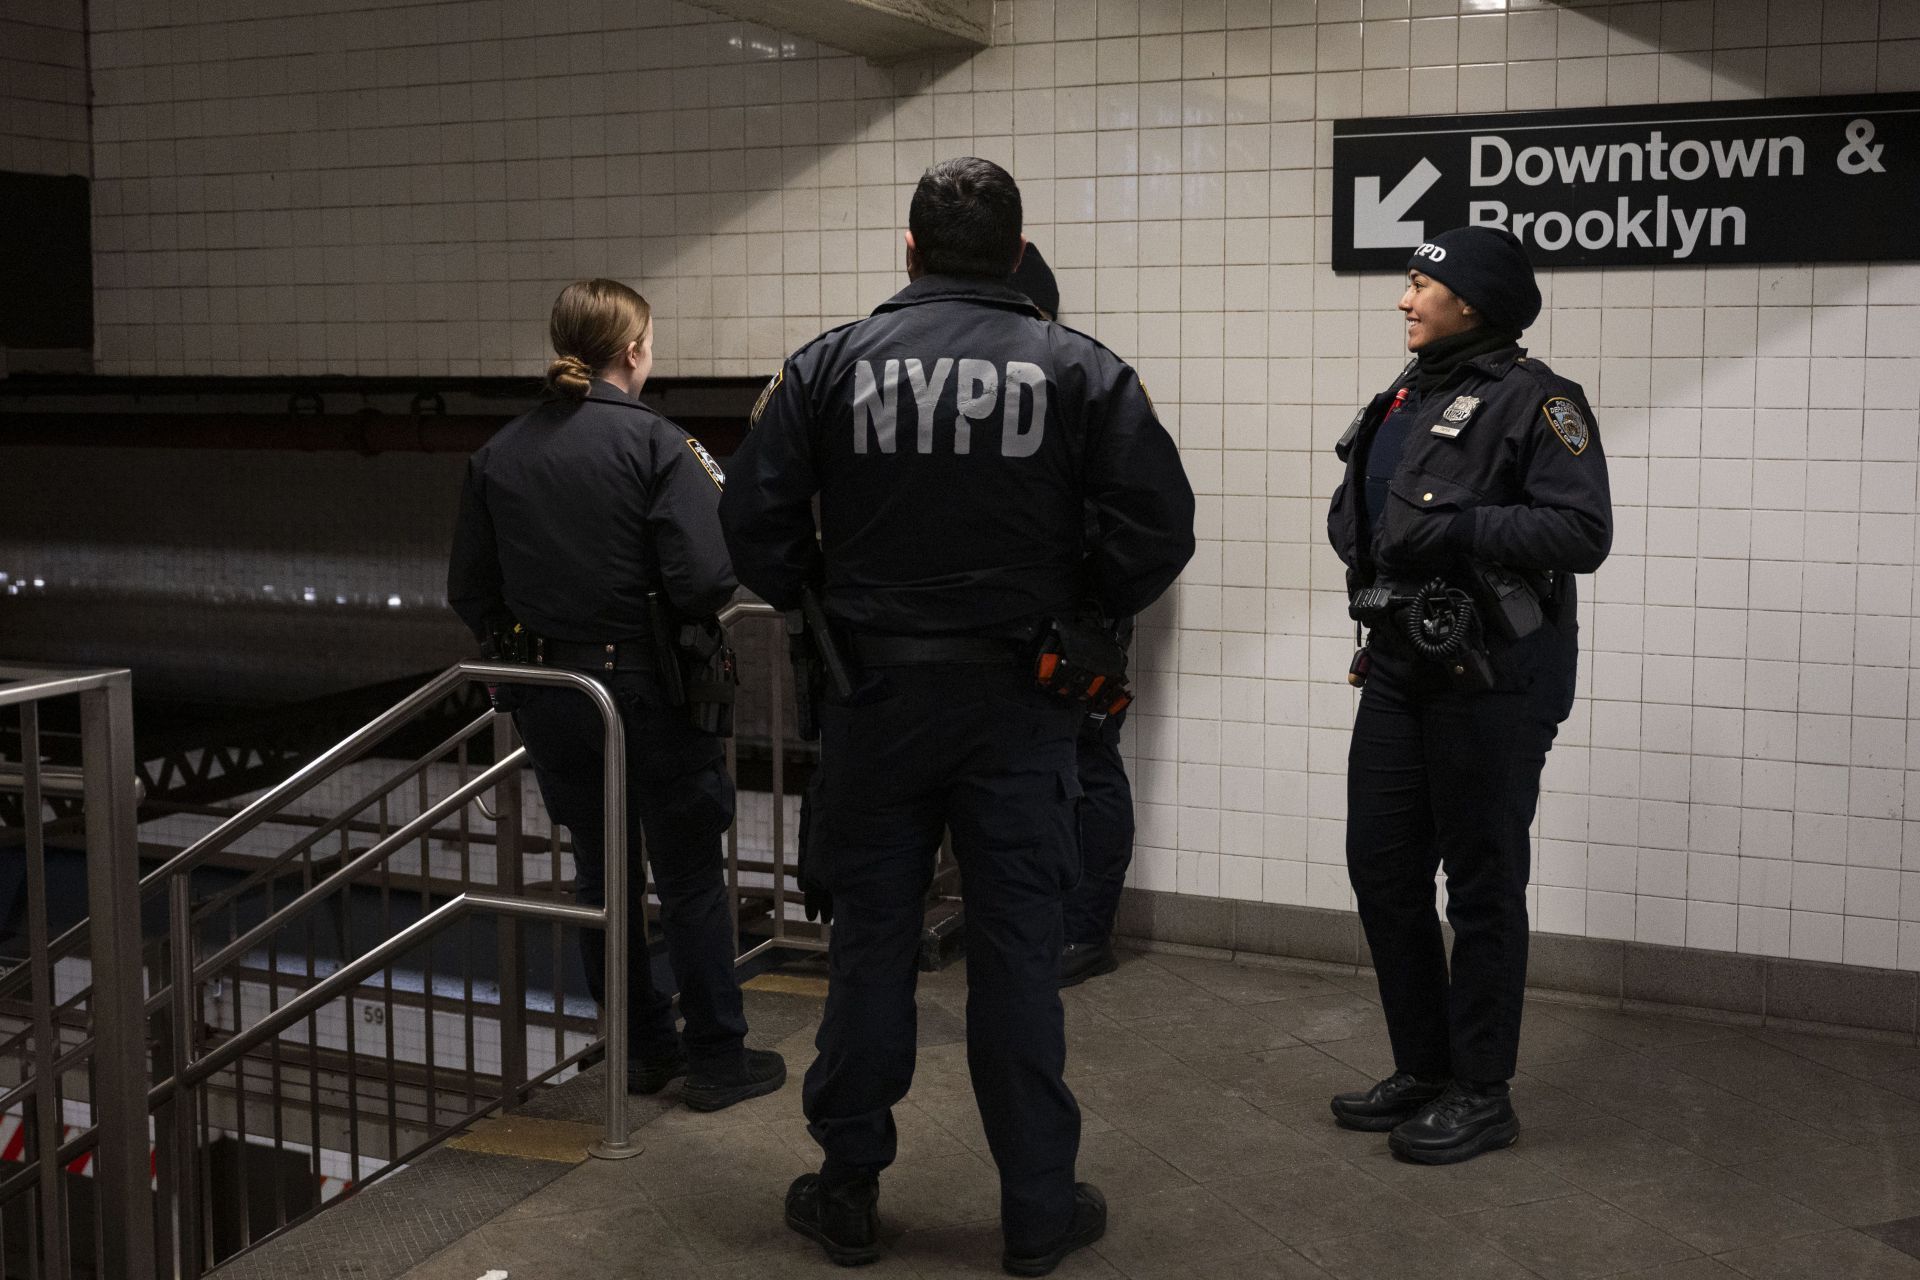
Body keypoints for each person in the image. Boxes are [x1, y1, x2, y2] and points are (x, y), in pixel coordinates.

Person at [721, 158, 1194, 1274]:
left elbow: (755, 525)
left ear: (910, 247)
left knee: (871, 949)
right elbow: (1158, 526)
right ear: (1019, 250)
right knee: (1017, 954)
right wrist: (1081, 605)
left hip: (874, 701)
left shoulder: (827, 365)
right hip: (1022, 704)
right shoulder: (1082, 370)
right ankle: (1036, 1208)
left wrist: (822, 594)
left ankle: (846, 1191)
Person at [447, 278, 785, 1113]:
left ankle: (638, 1051)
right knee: (691, 876)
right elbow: (704, 578)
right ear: (633, 350)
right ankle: (716, 1060)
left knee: (601, 875)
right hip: (651, 690)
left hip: (556, 694)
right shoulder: (658, 445)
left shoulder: (499, 453)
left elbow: (470, 590)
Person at [1325, 227, 1611, 1164]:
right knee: (1381, 866)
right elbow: (1372, 516)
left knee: (1483, 884)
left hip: (1495, 681)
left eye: (1419, 285)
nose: (1404, 301)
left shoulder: (1541, 402)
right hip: (1402, 668)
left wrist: (1457, 526)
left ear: (1473, 302)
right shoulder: (1405, 396)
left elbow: (1580, 530)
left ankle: (1484, 1090)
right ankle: (1427, 1066)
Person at [1008, 245, 1134, 990]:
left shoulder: (1078, 376)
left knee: (1087, 759)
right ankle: (1053, 922)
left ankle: (1084, 930)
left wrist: (1093, 609)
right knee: (1055, 763)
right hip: (1054, 609)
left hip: (1080, 613)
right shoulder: (1069, 375)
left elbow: (1142, 516)